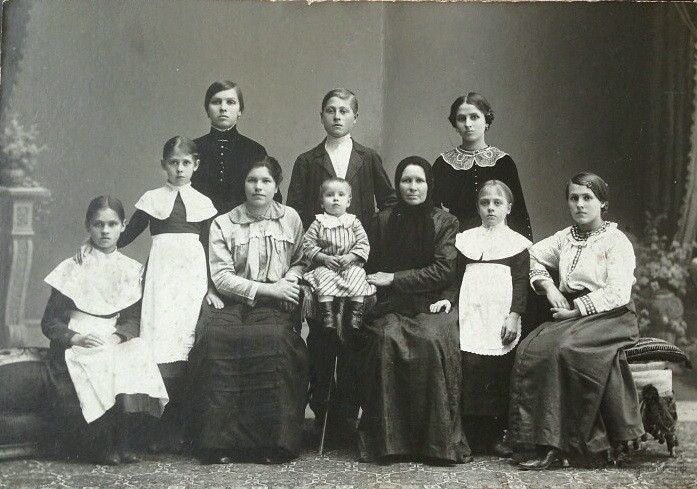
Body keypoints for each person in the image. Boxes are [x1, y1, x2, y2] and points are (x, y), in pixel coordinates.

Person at [508, 172, 644, 470]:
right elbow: (530, 255)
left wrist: (575, 310)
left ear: (602, 203)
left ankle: (564, 444)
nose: (580, 204)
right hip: (575, 312)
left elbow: (618, 292)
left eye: (587, 198)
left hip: (612, 315)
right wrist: (548, 286)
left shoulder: (615, 240)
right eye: (574, 198)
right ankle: (535, 440)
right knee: (531, 347)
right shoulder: (565, 238)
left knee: (563, 349)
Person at [287, 88, 396, 442]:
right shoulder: (307, 161)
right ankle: (322, 409)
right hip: (319, 262)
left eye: (344, 110)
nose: (337, 116)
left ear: (355, 117)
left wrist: (367, 243)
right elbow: (294, 211)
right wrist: (314, 254)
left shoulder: (368, 157)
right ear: (321, 115)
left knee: (353, 334)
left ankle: (348, 413)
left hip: (355, 265)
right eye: (330, 110)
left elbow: (389, 201)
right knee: (322, 335)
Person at [190, 156, 308, 464]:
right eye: (252, 180)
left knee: (272, 341)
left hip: (276, 303)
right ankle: (218, 443)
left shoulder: (291, 218)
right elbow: (221, 277)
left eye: (266, 181)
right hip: (232, 300)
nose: (258, 187)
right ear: (243, 184)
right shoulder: (224, 223)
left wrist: (289, 280)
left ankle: (272, 443)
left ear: (277, 186)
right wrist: (269, 289)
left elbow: (301, 260)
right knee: (216, 340)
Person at [357, 156, 471, 465]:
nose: (412, 187)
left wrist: (395, 278)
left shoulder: (445, 221)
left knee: (431, 341)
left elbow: (444, 271)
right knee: (385, 339)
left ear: (429, 184)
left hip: (435, 301)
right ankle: (390, 444)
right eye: (406, 180)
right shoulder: (382, 220)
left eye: (419, 180)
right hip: (391, 303)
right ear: (397, 184)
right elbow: (369, 265)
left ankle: (435, 444)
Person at [42, 196, 168, 465]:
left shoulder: (131, 269)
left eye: (112, 224)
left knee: (138, 350)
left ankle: (123, 440)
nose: (105, 231)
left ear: (123, 226)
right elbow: (50, 322)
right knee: (99, 359)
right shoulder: (72, 267)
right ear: (88, 226)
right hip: (77, 337)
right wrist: (75, 338)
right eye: (98, 224)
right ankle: (101, 443)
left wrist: (117, 336)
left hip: (111, 334)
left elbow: (132, 319)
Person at [114, 136, 219, 452]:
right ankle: (155, 427)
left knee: (186, 343)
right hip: (161, 278)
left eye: (186, 163)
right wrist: (97, 245)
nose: (180, 169)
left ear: (196, 165)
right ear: (164, 165)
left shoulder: (202, 202)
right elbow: (125, 236)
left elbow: (211, 248)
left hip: (192, 278)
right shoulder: (151, 199)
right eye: (173, 163)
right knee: (158, 342)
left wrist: (212, 286)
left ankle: (182, 426)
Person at [430, 180, 531, 456]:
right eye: (485, 203)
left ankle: (495, 434)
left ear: (509, 208)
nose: (491, 208)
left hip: (500, 314)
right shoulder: (467, 240)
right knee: (471, 369)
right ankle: (471, 434)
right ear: (478, 207)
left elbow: (521, 283)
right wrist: (448, 299)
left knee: (497, 371)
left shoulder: (517, 244)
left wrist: (514, 315)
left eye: (497, 203)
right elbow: (455, 277)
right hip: (471, 311)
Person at [433, 92, 532, 241]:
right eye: (461, 118)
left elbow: (518, 214)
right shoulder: (444, 164)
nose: (468, 124)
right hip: (456, 242)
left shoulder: (503, 162)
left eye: (474, 117)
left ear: (486, 121)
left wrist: (524, 248)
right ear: (455, 125)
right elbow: (433, 211)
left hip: (497, 241)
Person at [192, 80, 280, 215]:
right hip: (199, 225)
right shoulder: (193, 149)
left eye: (230, 102)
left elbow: (272, 198)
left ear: (240, 110)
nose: (223, 108)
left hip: (244, 224)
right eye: (216, 102)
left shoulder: (255, 150)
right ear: (207, 110)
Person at [302, 177, 376, 334]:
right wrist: (324, 258)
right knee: (322, 276)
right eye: (330, 195)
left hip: (349, 265)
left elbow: (363, 244)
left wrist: (350, 257)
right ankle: (327, 314)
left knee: (358, 275)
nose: (335, 198)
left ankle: (355, 314)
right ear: (322, 202)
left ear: (348, 201)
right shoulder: (318, 223)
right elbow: (307, 245)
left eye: (341, 195)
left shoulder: (353, 222)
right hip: (326, 266)